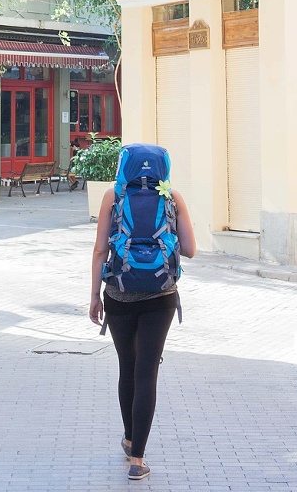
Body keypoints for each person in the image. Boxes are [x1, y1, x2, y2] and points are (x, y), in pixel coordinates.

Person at [89, 144, 196, 481]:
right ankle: (138, 460)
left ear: (125, 166)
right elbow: (191, 250)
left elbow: (99, 250)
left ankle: (129, 437)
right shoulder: (172, 197)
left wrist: (94, 296)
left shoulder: (113, 196)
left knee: (128, 368)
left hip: (119, 295)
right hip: (161, 295)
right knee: (148, 371)